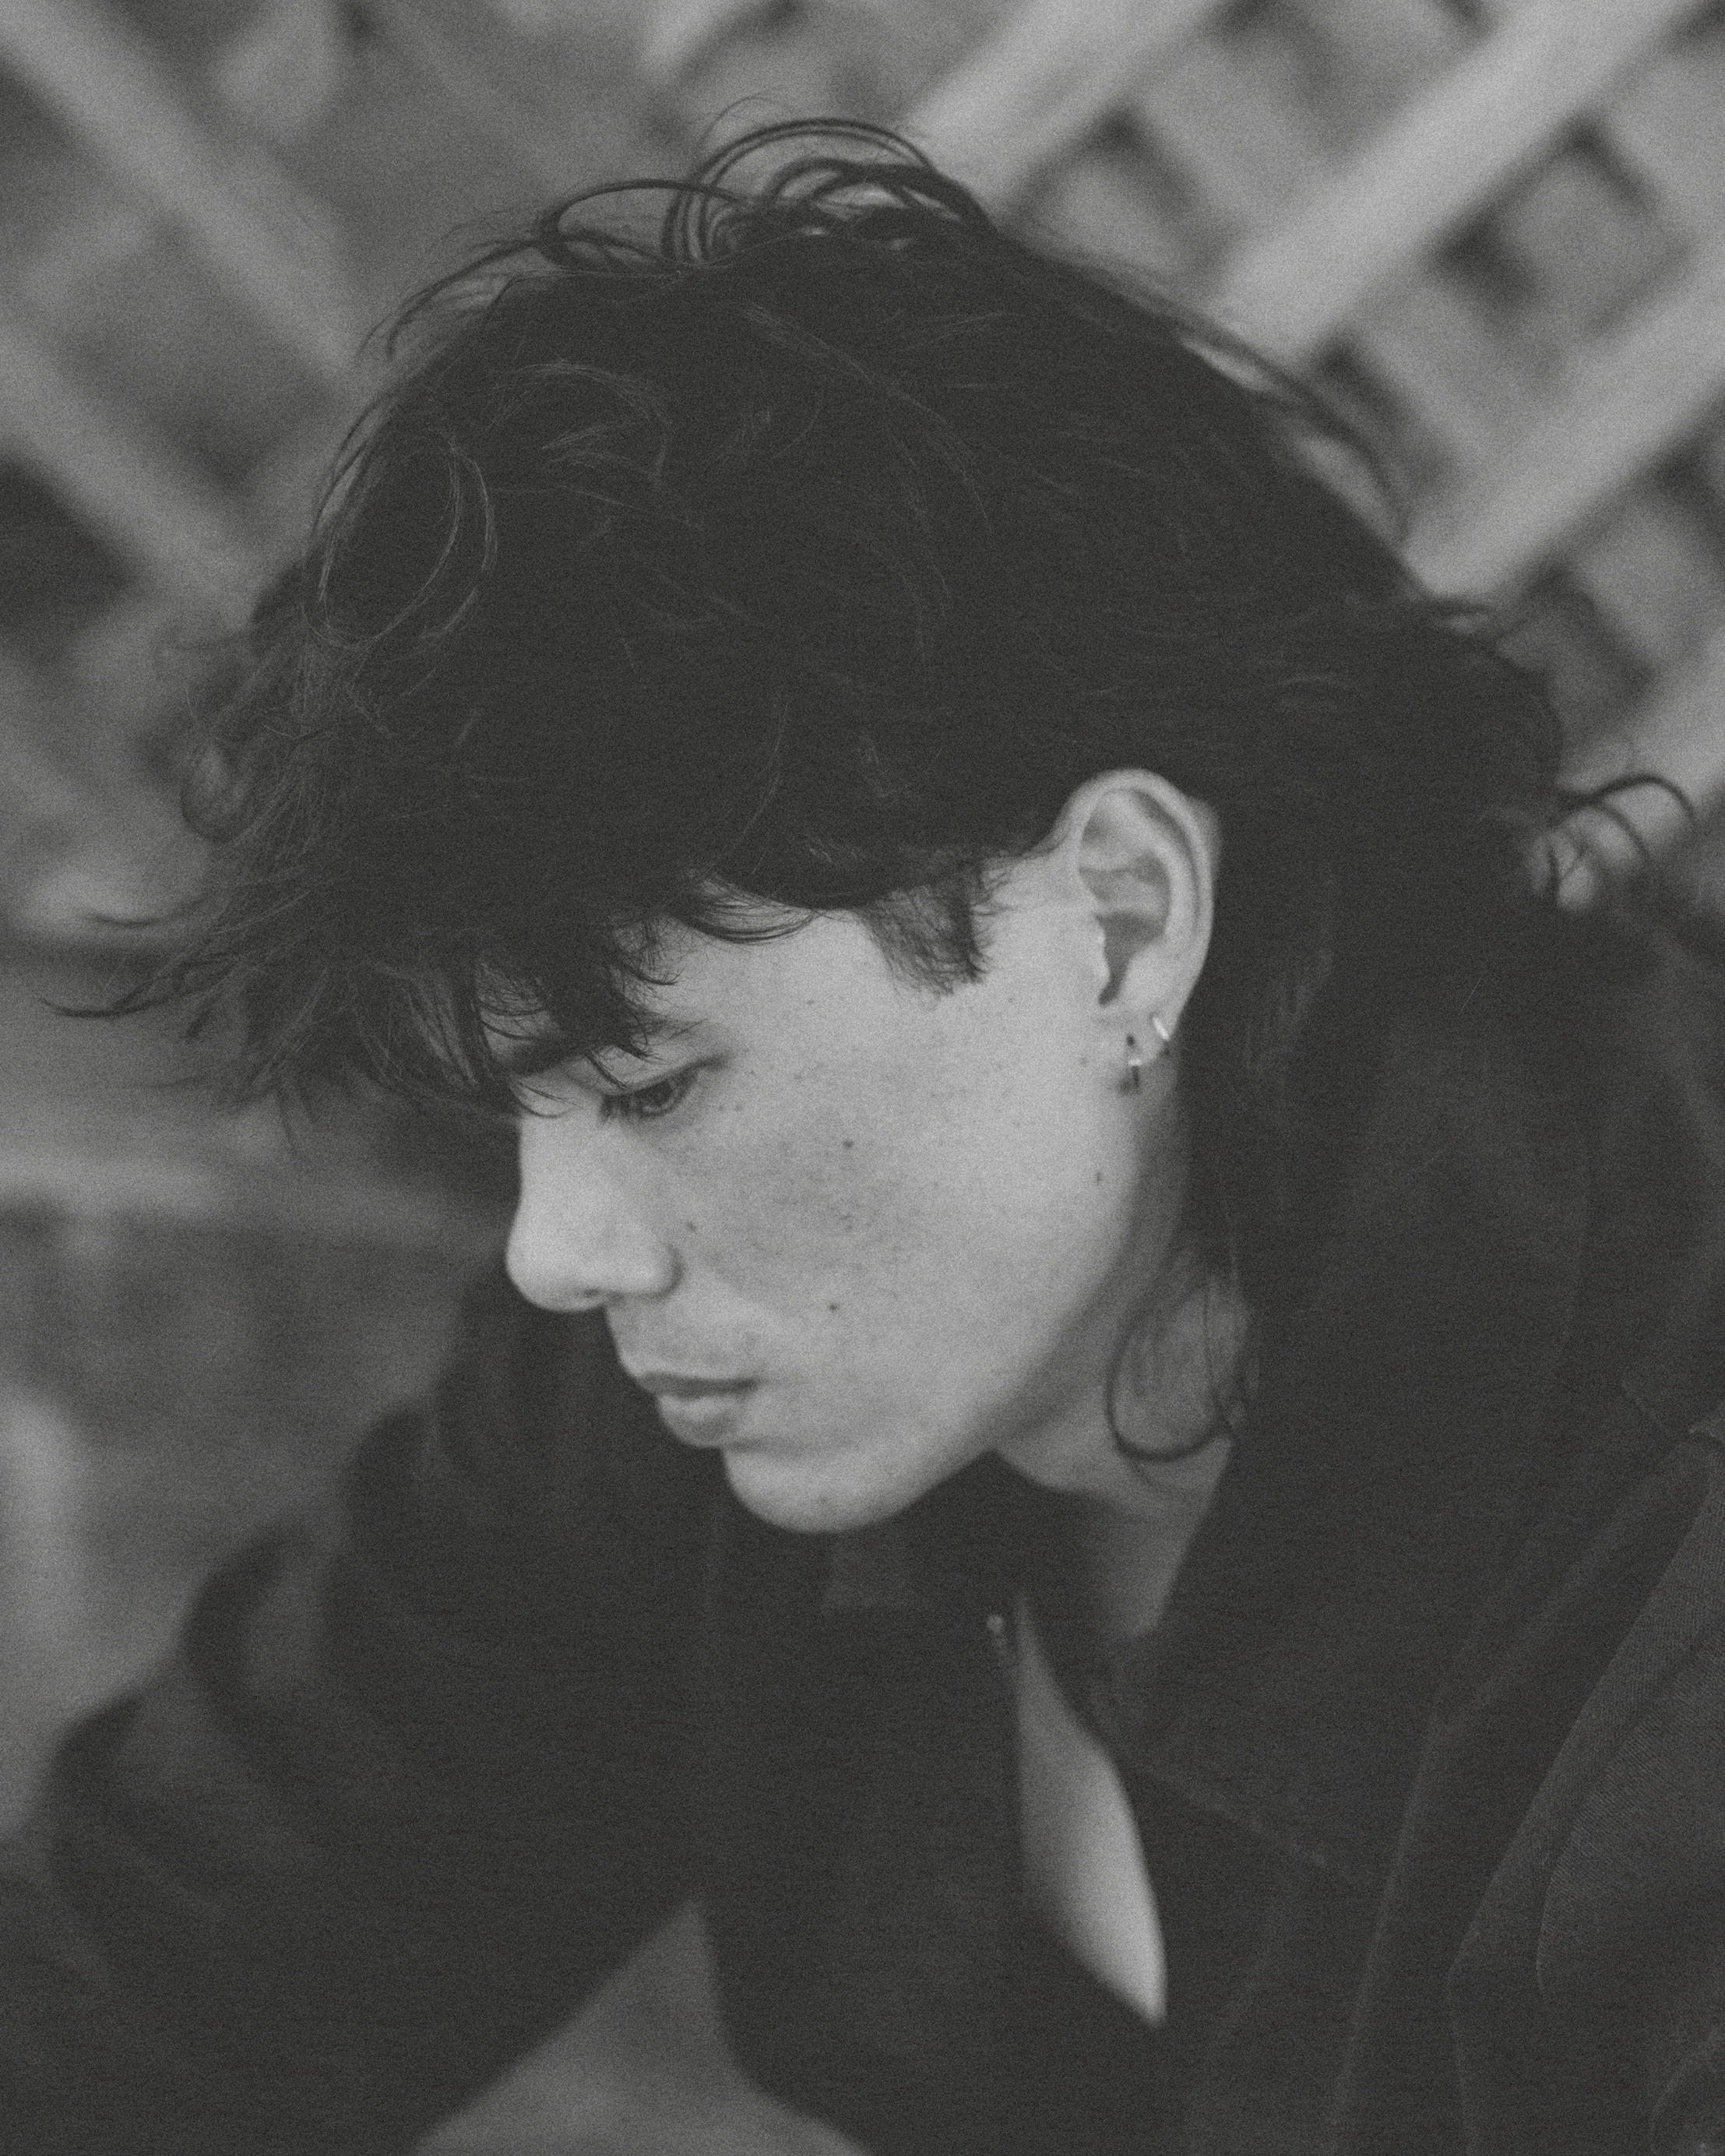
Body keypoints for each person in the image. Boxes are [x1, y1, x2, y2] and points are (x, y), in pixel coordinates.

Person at [7, 116, 1725, 2155]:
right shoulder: (714, 1376)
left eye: (654, 1081)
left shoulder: (1660, 1581)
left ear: (1117, 919)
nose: (563, 1244)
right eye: (519, 1104)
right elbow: (168, 1955)